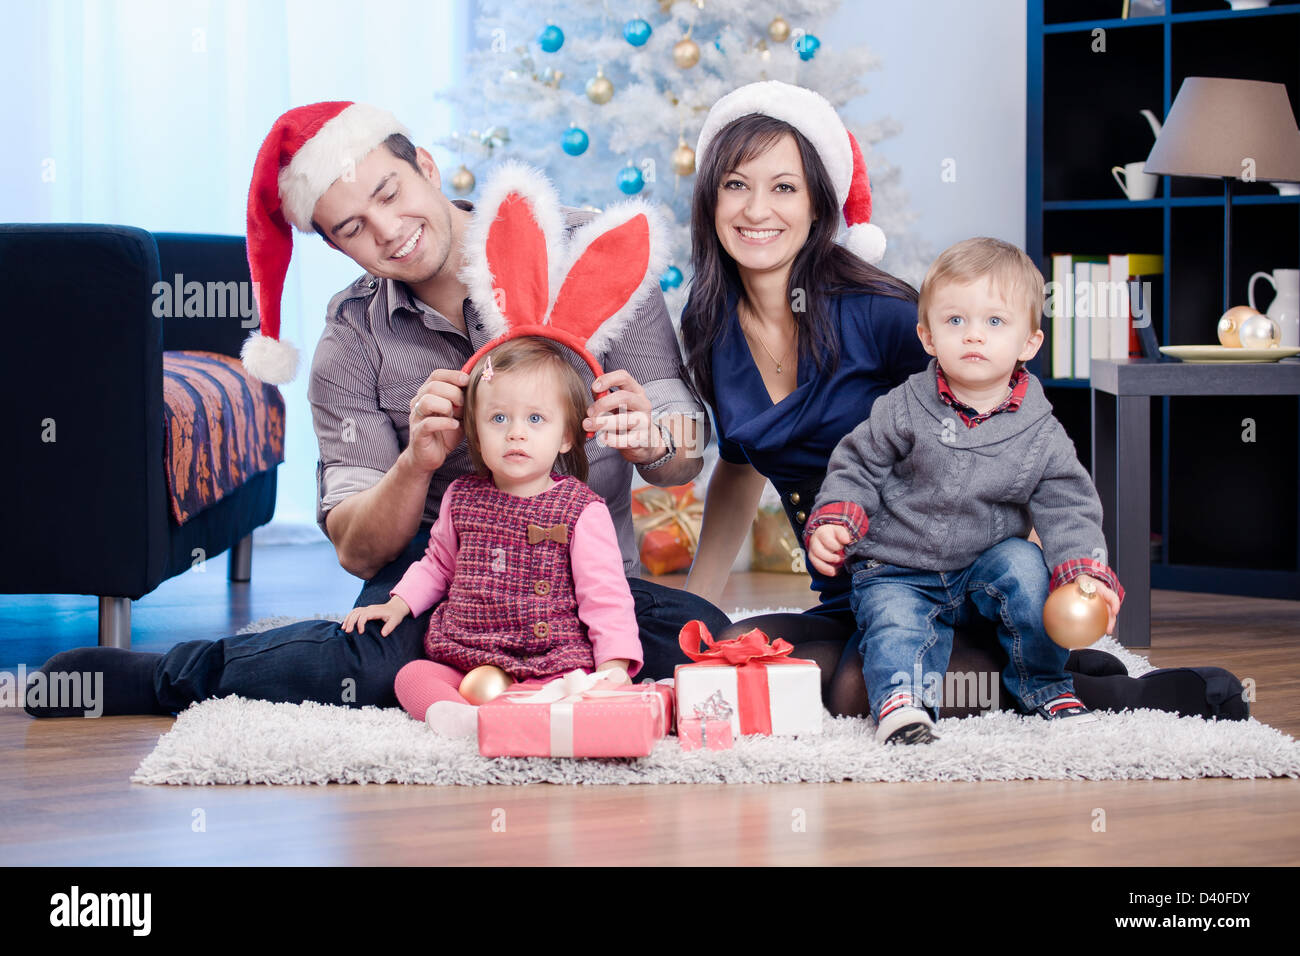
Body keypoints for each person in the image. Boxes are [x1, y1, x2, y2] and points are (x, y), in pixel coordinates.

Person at [25, 101, 728, 718]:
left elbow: (685, 449)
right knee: (370, 664)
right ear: (333, 245)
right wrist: (416, 464)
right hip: (443, 573)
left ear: (425, 163)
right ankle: (174, 677)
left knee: (705, 642)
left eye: (392, 193)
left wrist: (652, 439)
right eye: (354, 228)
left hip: (577, 571)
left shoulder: (581, 257)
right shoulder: (351, 340)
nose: (389, 231)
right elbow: (358, 548)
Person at [681, 81, 1247, 722]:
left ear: (819, 202)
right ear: (710, 197)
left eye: (783, 186)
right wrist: (703, 597)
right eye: (735, 183)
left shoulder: (884, 315)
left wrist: (1055, 567)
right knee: (734, 650)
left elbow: (995, 413)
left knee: (850, 694)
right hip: (861, 584)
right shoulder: (709, 327)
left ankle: (1116, 690)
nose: (758, 208)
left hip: (959, 572)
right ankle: (1035, 658)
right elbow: (740, 458)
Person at [806, 237, 1121, 744]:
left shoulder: (1041, 431)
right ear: (928, 337)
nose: (974, 336)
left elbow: (1069, 506)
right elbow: (856, 464)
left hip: (983, 565)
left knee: (1024, 564)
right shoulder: (903, 407)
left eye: (995, 322)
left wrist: (1083, 574)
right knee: (894, 620)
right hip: (898, 565)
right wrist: (837, 518)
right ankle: (903, 704)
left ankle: (1044, 684)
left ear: (1029, 344)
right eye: (956, 322)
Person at [347, 338, 641, 732]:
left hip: (549, 660)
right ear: (476, 432)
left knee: (570, 692)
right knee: (412, 676)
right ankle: (459, 718)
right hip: (467, 656)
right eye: (499, 419)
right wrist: (396, 604)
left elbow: (605, 596)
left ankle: (529, 717)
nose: (516, 433)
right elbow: (437, 566)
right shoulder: (461, 497)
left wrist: (613, 666)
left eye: (535, 419)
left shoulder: (581, 509)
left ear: (567, 436)